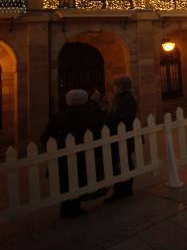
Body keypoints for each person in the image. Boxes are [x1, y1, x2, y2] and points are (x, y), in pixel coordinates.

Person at [40, 89, 105, 218]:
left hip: (63, 155)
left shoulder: (59, 116)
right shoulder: (90, 114)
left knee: (65, 181)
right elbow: (101, 127)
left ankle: (65, 208)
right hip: (84, 154)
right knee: (79, 179)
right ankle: (75, 207)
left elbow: (45, 138)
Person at [106, 76, 138, 202]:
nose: (113, 89)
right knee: (123, 161)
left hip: (122, 136)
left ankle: (122, 189)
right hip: (123, 136)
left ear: (120, 87)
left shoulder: (125, 100)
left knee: (121, 163)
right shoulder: (122, 99)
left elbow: (119, 118)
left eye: (115, 86)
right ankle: (124, 188)